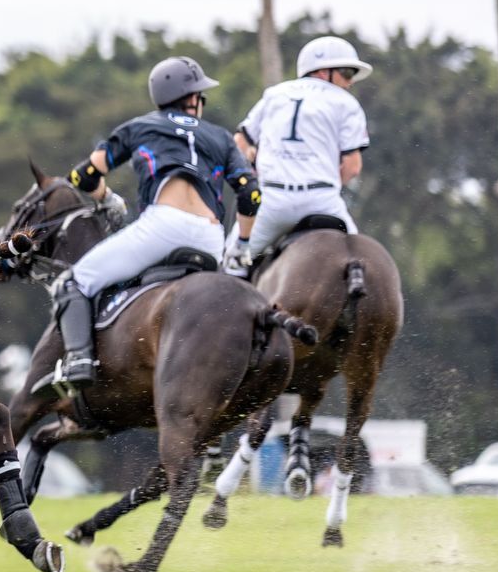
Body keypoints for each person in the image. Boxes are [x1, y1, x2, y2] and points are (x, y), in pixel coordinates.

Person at [33, 56, 261, 399]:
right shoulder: (221, 138)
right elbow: (251, 194)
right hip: (211, 239)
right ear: (192, 98)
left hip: (162, 228)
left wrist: (107, 197)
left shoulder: (139, 127)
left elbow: (83, 176)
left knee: (73, 282)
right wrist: (241, 243)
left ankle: (80, 360)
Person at [231, 35, 372, 271]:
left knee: (229, 267)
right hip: (323, 200)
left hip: (272, 202)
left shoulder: (275, 94)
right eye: (347, 73)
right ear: (322, 71)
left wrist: (253, 170)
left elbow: (239, 144)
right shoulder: (347, 103)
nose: (350, 82)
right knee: (362, 265)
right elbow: (353, 167)